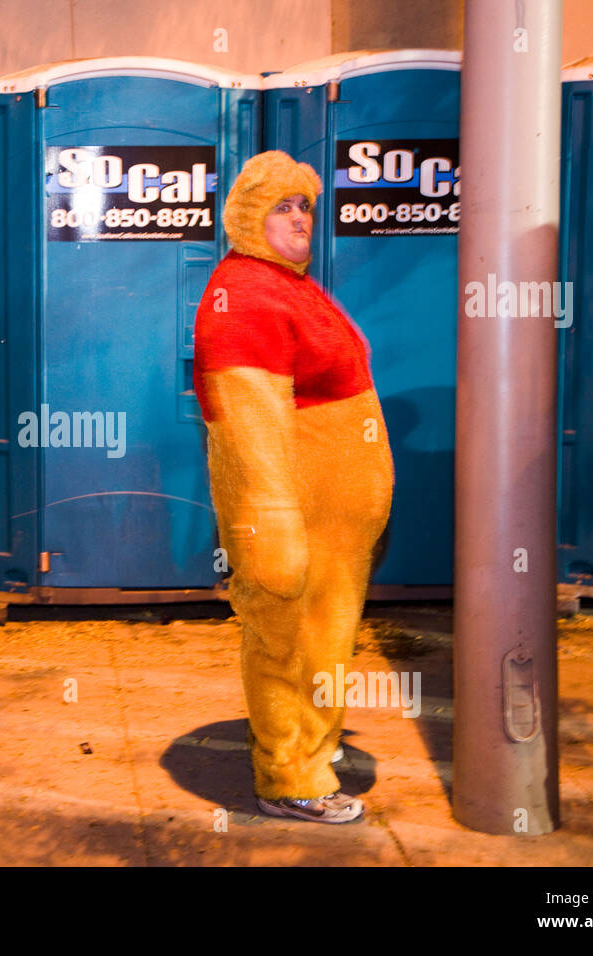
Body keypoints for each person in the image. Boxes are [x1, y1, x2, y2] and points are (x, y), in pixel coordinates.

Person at [194, 151, 393, 823]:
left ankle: (313, 755)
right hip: (296, 523)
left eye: (306, 205)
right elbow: (249, 420)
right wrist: (271, 524)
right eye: (283, 206)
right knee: (287, 641)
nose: (300, 218)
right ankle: (289, 778)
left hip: (332, 529)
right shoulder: (245, 293)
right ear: (249, 217)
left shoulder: (290, 285)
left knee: (325, 643)